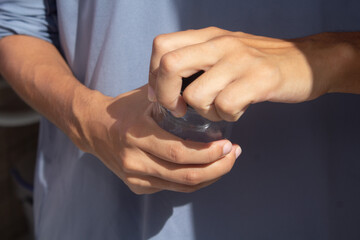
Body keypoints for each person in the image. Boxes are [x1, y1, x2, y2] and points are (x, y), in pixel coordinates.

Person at [1, 0, 360, 239]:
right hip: (99, 212)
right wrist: (88, 121)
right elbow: (16, 22)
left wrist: (327, 58)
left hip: (321, 209)